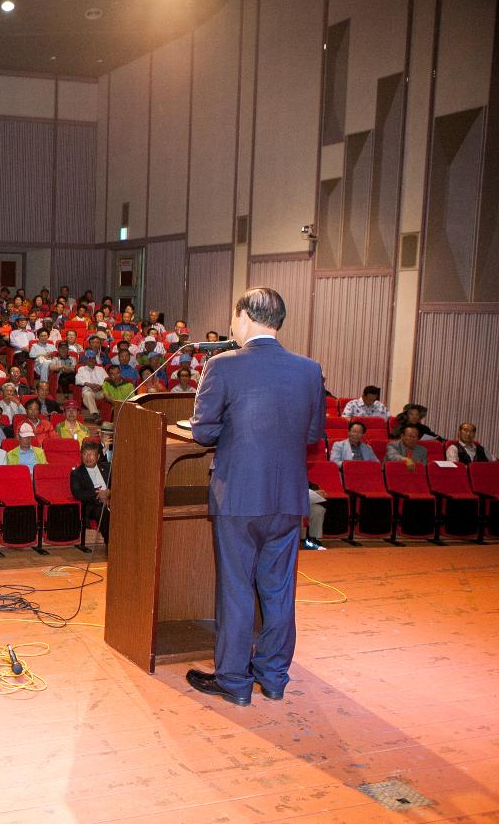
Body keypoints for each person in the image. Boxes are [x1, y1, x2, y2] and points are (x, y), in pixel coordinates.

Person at [186, 287, 325, 707]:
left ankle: (233, 680)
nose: (231, 323)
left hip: (239, 497)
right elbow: (313, 434)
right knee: (278, 590)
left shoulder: (223, 365)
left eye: (233, 315)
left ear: (245, 316)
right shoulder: (308, 369)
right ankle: (274, 678)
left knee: (237, 588)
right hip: (287, 499)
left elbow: (203, 432)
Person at [70, 440, 111, 547]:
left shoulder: (107, 468)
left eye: (91, 454)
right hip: (93, 506)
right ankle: (111, 544)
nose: (88, 457)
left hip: (111, 500)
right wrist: (98, 496)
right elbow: (78, 493)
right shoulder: (76, 473)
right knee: (103, 511)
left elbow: (118, 483)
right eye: (85, 454)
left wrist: (108, 492)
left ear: (97, 456)